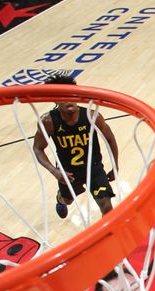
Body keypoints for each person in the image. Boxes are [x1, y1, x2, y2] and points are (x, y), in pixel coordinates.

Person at [32, 74, 118, 220]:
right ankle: (60, 199)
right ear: (55, 100)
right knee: (68, 200)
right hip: (67, 171)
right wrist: (55, 172)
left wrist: (115, 166)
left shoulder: (92, 116)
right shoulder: (48, 121)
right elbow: (37, 148)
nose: (69, 100)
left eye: (72, 96)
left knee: (107, 207)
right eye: (64, 97)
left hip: (94, 167)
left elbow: (110, 139)